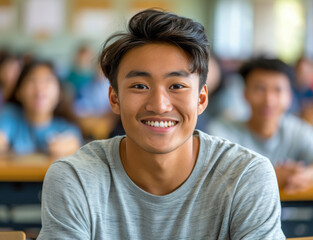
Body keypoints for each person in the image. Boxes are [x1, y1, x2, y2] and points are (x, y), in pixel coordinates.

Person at [38, 9, 285, 239]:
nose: (159, 104)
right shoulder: (75, 178)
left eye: (176, 86)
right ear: (114, 99)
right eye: (139, 86)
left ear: (201, 99)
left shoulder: (246, 176)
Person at [207, 57, 313, 193]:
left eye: (277, 90)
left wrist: (304, 174)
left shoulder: (297, 130)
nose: (269, 100)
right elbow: (214, 175)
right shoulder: (223, 130)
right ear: (245, 94)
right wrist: (269, 177)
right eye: (260, 89)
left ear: (289, 96)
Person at [0, 60, 83, 158]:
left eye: (48, 80)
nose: (39, 88)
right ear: (19, 91)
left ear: (60, 93)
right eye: (31, 80)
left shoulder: (67, 127)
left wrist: (68, 146)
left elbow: (75, 142)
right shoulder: (9, 115)